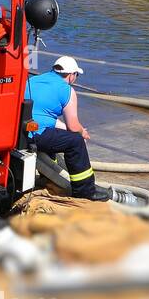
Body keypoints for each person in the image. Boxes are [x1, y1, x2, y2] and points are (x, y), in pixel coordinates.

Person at [24, 56, 104, 200]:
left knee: (56, 135)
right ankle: (85, 191)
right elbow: (73, 126)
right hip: (37, 134)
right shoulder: (67, 90)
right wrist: (82, 133)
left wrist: (70, 129)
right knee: (75, 142)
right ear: (71, 75)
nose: (76, 78)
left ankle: (48, 177)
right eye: (76, 75)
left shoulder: (33, 80)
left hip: (20, 132)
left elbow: (44, 116)